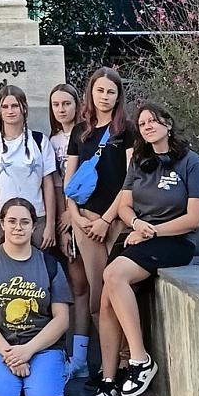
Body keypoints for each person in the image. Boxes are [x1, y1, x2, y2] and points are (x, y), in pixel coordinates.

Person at [92, 102, 199, 396]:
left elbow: (195, 218)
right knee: (106, 300)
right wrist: (136, 224)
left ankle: (140, 359)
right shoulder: (139, 160)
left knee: (114, 275)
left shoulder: (190, 162)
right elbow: (124, 205)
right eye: (142, 123)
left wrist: (153, 231)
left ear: (168, 124)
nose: (147, 126)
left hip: (172, 240)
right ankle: (108, 381)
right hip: (138, 234)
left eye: (153, 121)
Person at [0, 197, 72, 396]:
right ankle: (16, 381)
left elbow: (62, 319)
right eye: (12, 221)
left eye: (25, 222)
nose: (18, 227)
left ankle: (51, 373)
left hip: (42, 346)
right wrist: (11, 355)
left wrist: (27, 351)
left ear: (34, 226)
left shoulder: (50, 264)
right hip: (0, 346)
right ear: (2, 224)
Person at [63, 67, 133, 379]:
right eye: (100, 90)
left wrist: (108, 218)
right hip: (86, 221)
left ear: (118, 96)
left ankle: (126, 361)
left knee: (118, 290)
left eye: (110, 92)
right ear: (90, 93)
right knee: (96, 294)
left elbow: (131, 181)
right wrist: (75, 216)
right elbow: (70, 182)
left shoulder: (127, 131)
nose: (104, 97)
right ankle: (108, 363)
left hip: (116, 220)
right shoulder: (80, 132)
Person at [46, 83, 91, 382]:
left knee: (83, 286)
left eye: (66, 103)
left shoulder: (87, 135)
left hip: (84, 215)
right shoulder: (50, 142)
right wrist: (61, 217)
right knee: (69, 287)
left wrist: (70, 214)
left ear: (78, 104)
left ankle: (83, 357)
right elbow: (55, 183)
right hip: (62, 219)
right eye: (56, 104)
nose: (61, 109)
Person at [0, 85, 56, 249]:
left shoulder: (40, 141)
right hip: (4, 219)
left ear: (24, 108)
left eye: (15, 106)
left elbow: (48, 184)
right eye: (5, 107)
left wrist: (50, 224)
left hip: (37, 218)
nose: (10, 111)